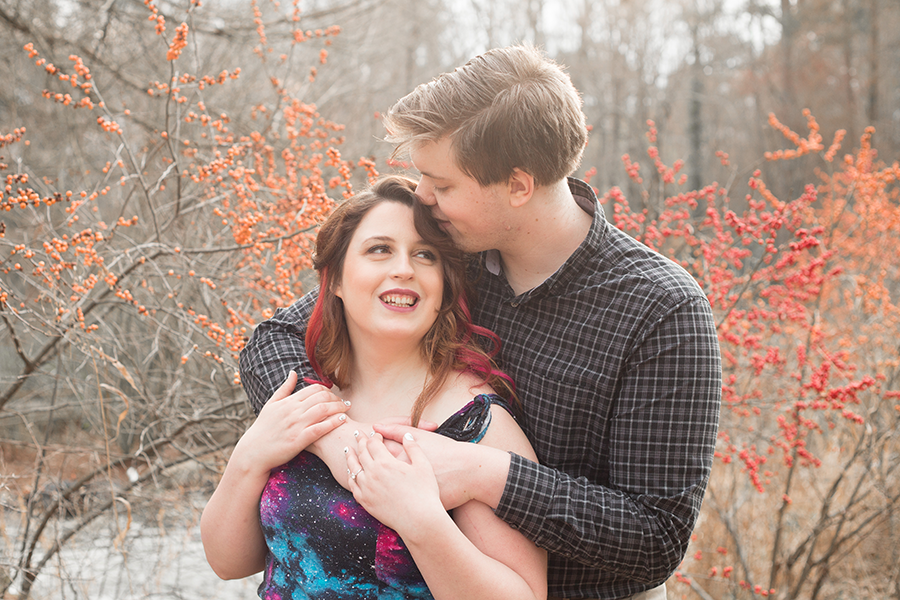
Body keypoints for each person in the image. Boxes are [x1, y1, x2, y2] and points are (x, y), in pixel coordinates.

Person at [240, 45, 722, 600]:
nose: (422, 196)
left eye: (442, 185)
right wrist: (341, 441)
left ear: (518, 186)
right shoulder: (445, 255)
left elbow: (655, 538)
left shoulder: (660, 309)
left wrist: (485, 474)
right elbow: (273, 341)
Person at [201, 175, 547, 600]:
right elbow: (229, 563)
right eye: (379, 249)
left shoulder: (477, 425)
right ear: (338, 281)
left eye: (425, 255)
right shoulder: (307, 396)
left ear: (443, 287)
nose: (403, 268)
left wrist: (422, 522)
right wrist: (248, 459)